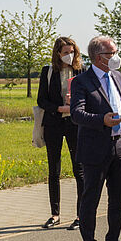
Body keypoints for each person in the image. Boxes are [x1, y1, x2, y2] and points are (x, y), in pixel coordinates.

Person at [70, 35, 121, 241]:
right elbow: (76, 114)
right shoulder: (82, 81)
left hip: (120, 145)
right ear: (98, 57)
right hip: (94, 149)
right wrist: (102, 120)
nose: (116, 56)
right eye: (111, 53)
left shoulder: (118, 76)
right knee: (90, 199)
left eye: (115, 51)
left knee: (118, 199)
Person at [36, 36, 85, 230]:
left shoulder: (81, 71)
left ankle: (81, 215)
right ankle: (55, 214)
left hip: (75, 124)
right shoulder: (48, 72)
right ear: (58, 54)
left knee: (79, 170)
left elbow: (89, 97)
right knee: (53, 171)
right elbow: (41, 100)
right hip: (54, 124)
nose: (69, 56)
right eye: (65, 52)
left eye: (72, 52)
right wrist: (59, 108)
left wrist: (74, 105)